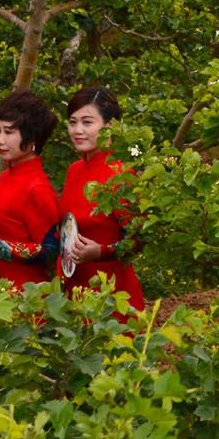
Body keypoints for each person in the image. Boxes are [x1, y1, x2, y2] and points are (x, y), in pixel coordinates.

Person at [0, 88, 63, 286]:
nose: (0, 140)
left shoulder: (37, 188)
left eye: (9, 132)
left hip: (29, 299)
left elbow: (52, 251)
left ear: (33, 137)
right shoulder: (5, 177)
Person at [63, 86, 145, 315]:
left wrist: (101, 251)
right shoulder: (74, 171)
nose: (78, 130)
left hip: (114, 298)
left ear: (109, 125)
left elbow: (138, 240)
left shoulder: (121, 173)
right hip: (74, 295)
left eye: (87, 122)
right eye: (72, 122)